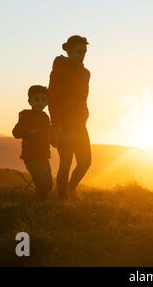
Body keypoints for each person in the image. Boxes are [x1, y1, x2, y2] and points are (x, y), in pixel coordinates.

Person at [48, 35, 92, 202]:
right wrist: (56, 125)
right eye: (78, 51)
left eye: (84, 52)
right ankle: (62, 199)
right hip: (63, 124)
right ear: (68, 50)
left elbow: (83, 98)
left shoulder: (86, 73)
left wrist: (85, 114)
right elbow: (53, 98)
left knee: (85, 162)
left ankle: (70, 188)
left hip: (80, 124)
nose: (81, 55)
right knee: (65, 162)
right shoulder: (60, 69)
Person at [12, 85, 53, 202]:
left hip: (44, 156)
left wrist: (55, 140)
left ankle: (37, 201)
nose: (40, 102)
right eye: (37, 99)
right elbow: (16, 132)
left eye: (44, 100)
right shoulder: (25, 116)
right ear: (30, 101)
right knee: (42, 184)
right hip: (30, 156)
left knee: (49, 185)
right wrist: (30, 132)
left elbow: (48, 134)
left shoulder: (45, 117)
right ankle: (37, 204)